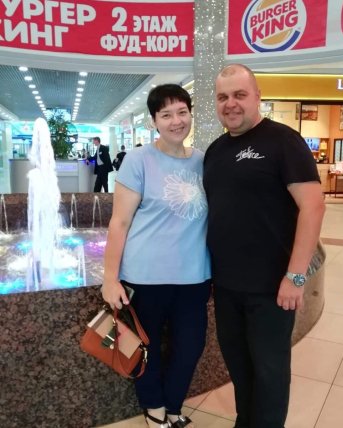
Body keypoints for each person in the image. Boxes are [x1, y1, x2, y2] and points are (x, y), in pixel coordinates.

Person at [203, 64, 325, 428]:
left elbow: (313, 207)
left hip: (272, 288)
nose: (230, 103)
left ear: (258, 97)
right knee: (239, 367)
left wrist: (296, 277)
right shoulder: (215, 151)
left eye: (240, 95)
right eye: (223, 97)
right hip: (226, 286)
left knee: (270, 372)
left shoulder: (283, 141)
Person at [102, 84, 211, 428]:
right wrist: (110, 278)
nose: (176, 121)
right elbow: (119, 222)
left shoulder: (203, 161)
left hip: (195, 276)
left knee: (190, 346)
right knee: (146, 348)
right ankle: (154, 408)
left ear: (190, 114)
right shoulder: (138, 160)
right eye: (166, 115)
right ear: (154, 121)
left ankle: (174, 406)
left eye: (182, 112)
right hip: (145, 276)